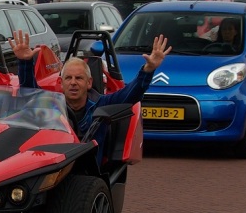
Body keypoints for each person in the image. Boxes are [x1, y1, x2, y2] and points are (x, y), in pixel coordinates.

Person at [11, 28, 171, 146]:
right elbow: (30, 95)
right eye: (68, 78)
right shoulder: (52, 105)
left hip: (87, 173)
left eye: (79, 78)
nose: (73, 82)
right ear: (60, 83)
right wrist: (25, 62)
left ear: (89, 83)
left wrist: (148, 70)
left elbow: (131, 95)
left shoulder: (102, 104)